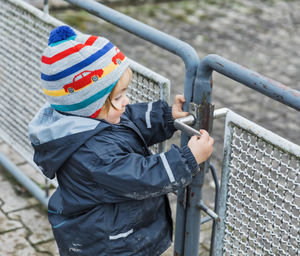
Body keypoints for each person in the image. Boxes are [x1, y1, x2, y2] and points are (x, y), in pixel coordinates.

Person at [28, 25, 214, 256]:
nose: (126, 101)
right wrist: (187, 159)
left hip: (116, 232)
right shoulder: (94, 154)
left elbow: (131, 119)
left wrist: (167, 117)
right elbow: (140, 177)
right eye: (118, 96)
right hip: (111, 245)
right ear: (89, 104)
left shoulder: (90, 119)